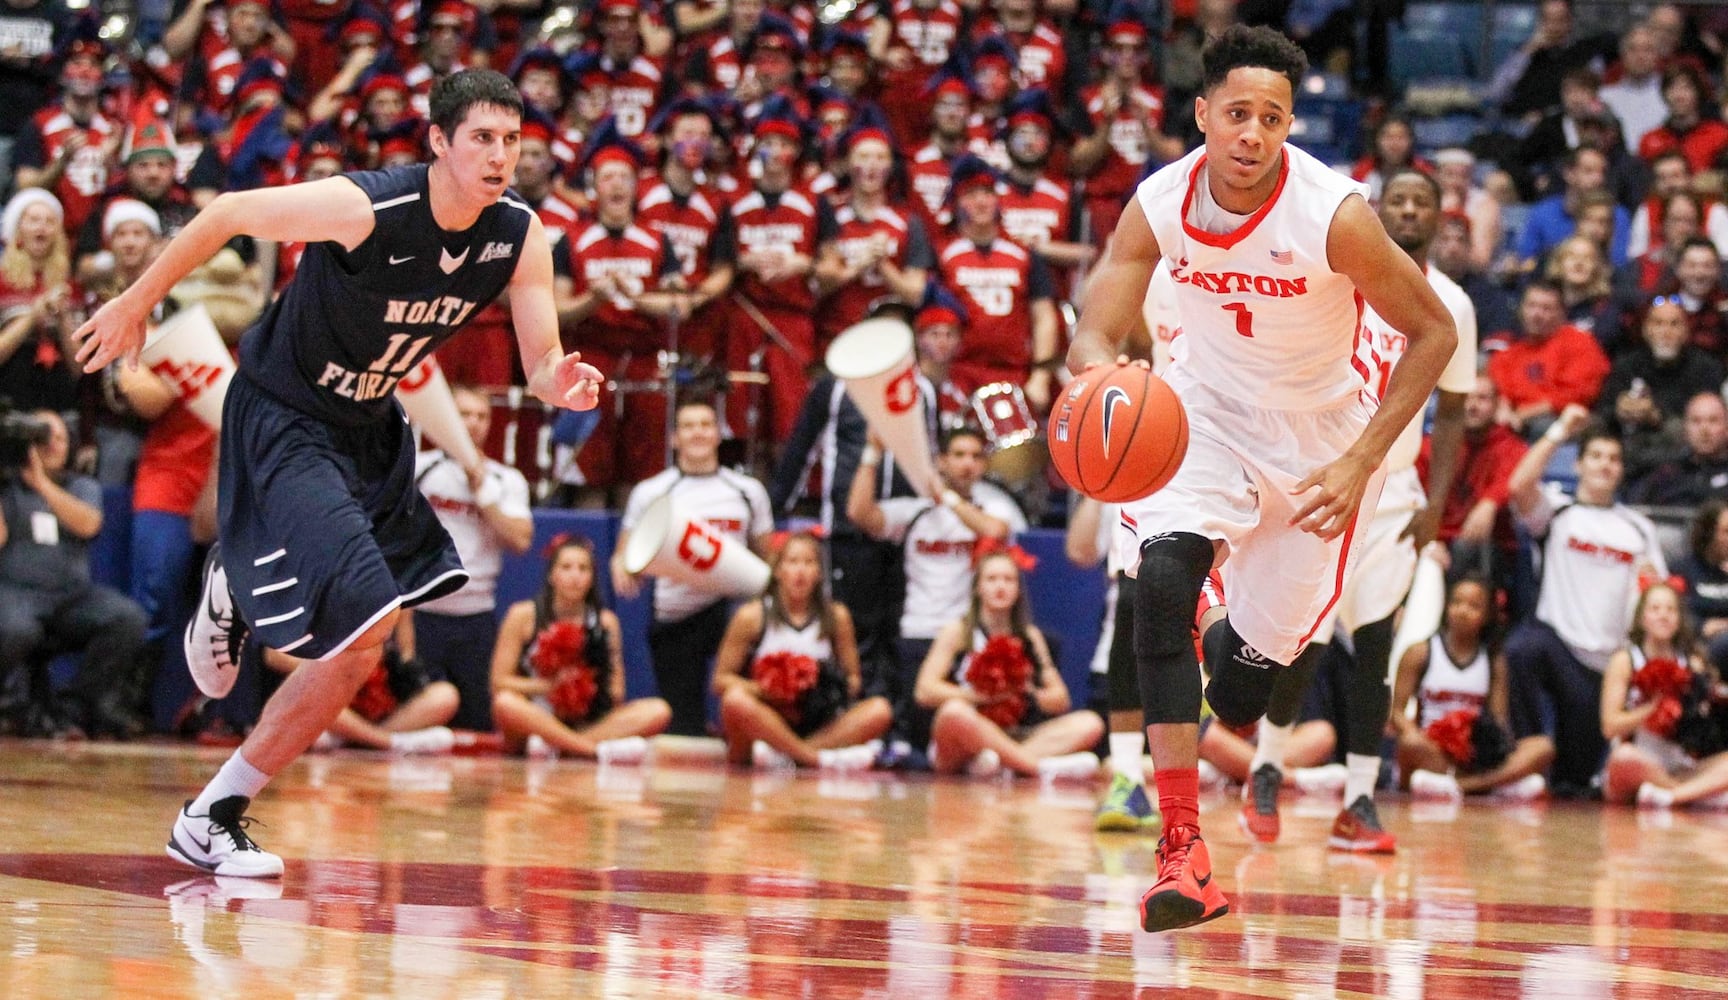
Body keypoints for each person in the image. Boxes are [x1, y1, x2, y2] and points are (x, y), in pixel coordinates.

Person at [74, 69, 604, 879]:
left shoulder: (520, 235)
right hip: (285, 412)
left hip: (369, 427)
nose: (501, 157)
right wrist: (138, 301)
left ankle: (215, 799)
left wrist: (557, 381)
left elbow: (540, 361)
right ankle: (218, 768)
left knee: (367, 642)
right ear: (437, 141)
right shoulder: (369, 207)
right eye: (482, 140)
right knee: (366, 615)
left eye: (512, 141)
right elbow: (227, 211)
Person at [1065, 25, 1457, 932]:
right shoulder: (1161, 201)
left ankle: (1217, 619)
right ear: (1202, 114)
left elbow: (1432, 332)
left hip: (1320, 450)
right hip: (1200, 421)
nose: (1252, 133)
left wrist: (1362, 462)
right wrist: (1096, 379)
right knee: (1157, 585)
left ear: (1288, 127)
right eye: (1237, 113)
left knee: (1240, 696)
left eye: (1272, 117)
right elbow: (1100, 323)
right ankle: (1180, 850)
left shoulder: (1333, 213)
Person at [1238, 167, 1476, 855]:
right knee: (1300, 642)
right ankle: (1265, 769)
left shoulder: (1452, 304)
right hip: (1322, 478)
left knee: (1376, 646)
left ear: (1438, 218)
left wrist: (1437, 503)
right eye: (1395, 200)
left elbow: (1454, 412)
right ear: (1375, 212)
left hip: (1394, 492)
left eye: (1420, 202)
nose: (1407, 210)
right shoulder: (1336, 279)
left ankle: (1362, 799)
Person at [1503, 405, 1667, 797]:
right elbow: (1517, 488)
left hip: (1609, 665)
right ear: (1577, 465)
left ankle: (1558, 776)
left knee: (1573, 782)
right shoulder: (1558, 512)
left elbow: (1654, 595)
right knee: (1522, 647)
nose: (1605, 465)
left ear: (1622, 470)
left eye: (1613, 459)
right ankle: (1525, 747)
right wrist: (1559, 431)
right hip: (1559, 647)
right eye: (1595, 456)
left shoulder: (1639, 529)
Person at [847, 426, 1027, 750]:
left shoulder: (994, 507)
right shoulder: (916, 511)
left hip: (969, 636)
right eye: (958, 455)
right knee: (921, 736)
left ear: (985, 465)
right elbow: (860, 514)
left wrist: (947, 497)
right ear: (941, 461)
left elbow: (994, 530)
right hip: (919, 630)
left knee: (966, 726)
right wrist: (871, 453)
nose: (967, 464)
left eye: (975, 456)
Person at [611, 399, 774, 738]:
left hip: (734, 612)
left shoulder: (748, 491)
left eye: (705, 424)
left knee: (747, 711)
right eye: (688, 426)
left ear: (719, 434)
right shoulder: (651, 491)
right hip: (677, 613)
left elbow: (768, 556)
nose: (697, 432)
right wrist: (622, 568)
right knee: (683, 728)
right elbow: (624, 554)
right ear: (674, 438)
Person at [0, 409, 149, 739]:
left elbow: (88, 524)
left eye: (60, 438)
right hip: (17, 594)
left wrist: (40, 483)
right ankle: (12, 706)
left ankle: (73, 708)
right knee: (15, 629)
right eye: (42, 437)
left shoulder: (81, 485)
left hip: (71, 596)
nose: (52, 444)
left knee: (127, 619)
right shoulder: (7, 487)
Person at [408, 384, 535, 732]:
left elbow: (521, 541)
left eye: (482, 416)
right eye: (464, 414)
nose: (474, 423)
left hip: (476, 619)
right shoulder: (418, 467)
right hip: (422, 615)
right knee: (420, 719)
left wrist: (483, 492)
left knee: (478, 726)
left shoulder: (506, 479)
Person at [914, 549, 1103, 780]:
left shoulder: (1030, 636)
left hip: (1016, 733)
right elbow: (924, 690)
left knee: (1090, 723)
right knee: (953, 713)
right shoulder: (958, 632)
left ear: (1018, 590)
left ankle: (1001, 764)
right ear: (977, 587)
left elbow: (1060, 699)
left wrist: (1025, 691)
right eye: (992, 579)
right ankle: (1036, 768)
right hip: (966, 737)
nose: (1000, 586)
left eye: (1008, 579)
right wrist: (982, 696)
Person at [712, 530, 892, 769]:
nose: (800, 572)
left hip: (817, 719)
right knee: (735, 701)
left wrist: (822, 686)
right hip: (769, 715)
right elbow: (721, 680)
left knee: (880, 710)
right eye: (793, 562)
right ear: (777, 571)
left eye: (809, 563)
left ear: (819, 573)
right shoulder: (752, 616)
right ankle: (813, 759)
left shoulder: (836, 617)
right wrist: (766, 689)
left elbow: (854, 679)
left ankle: (787, 755)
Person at [491, 534, 672, 759]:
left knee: (658, 710)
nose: (575, 576)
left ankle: (559, 746)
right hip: (538, 716)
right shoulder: (522, 615)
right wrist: (551, 686)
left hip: (588, 721)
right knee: (505, 703)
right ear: (551, 574)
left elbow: (617, 691)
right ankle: (591, 750)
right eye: (566, 567)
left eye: (583, 569)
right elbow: (499, 683)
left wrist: (585, 687)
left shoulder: (606, 622)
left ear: (592, 577)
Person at [1394, 556, 1552, 800]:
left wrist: (1490, 748)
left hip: (1473, 754)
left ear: (1488, 615)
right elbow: (1395, 712)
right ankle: (1492, 785)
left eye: (1473, 606)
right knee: (1410, 744)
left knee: (1543, 747)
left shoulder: (1492, 660)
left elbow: (1498, 719)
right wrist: (1420, 735)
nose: (1462, 611)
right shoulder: (1420, 652)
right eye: (1456, 602)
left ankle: (1463, 785)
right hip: (1432, 749)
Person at [1597, 580, 1728, 807]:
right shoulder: (1625, 660)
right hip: (1636, 764)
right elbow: (1610, 726)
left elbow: (1703, 728)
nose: (1663, 616)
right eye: (1655, 609)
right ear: (1641, 617)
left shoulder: (1691, 663)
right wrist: (1654, 708)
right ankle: (1698, 796)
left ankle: (1672, 796)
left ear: (1679, 619)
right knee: (1624, 757)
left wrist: (1700, 701)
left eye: (1670, 610)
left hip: (1679, 766)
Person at [1626, 389, 1728, 505]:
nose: (1704, 429)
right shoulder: (1666, 473)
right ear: (1685, 429)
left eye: (1713, 421)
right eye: (1696, 421)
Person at [1677, 500, 1728, 676]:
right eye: (1726, 531)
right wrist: (1702, 626)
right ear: (1708, 533)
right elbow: (1676, 612)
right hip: (1697, 645)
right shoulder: (1683, 569)